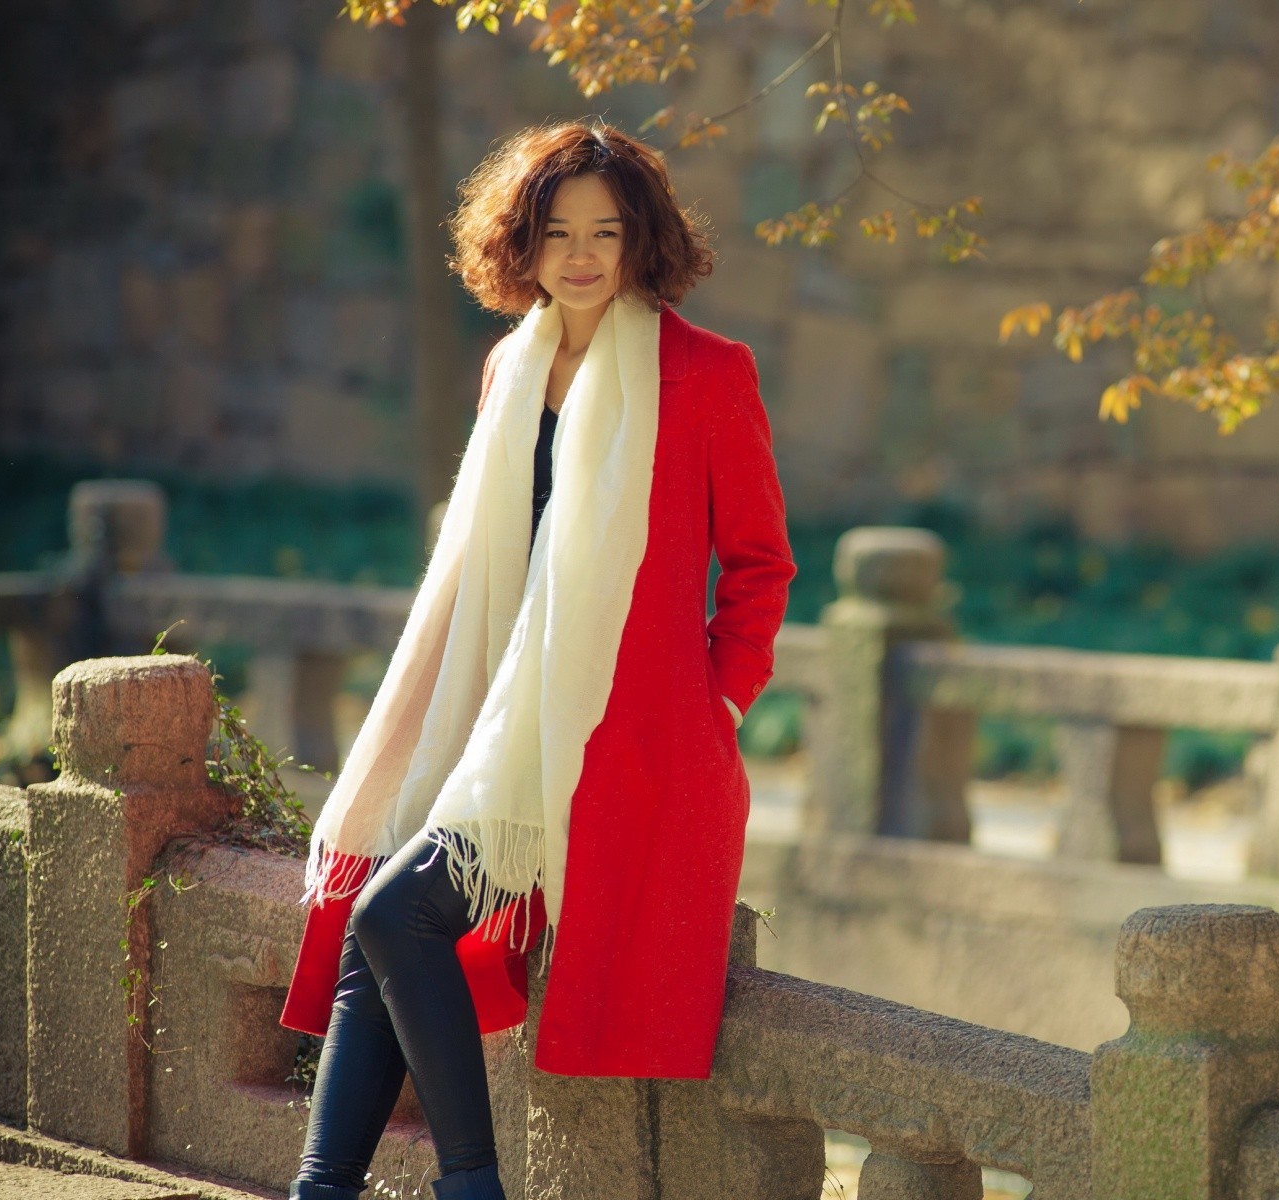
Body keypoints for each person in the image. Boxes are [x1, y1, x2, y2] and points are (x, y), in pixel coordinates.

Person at [277, 119, 795, 1200]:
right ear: (521, 242)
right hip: (499, 719)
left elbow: (759, 569)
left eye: (607, 231)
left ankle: (468, 1184)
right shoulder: (510, 369)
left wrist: (720, 708)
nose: (583, 256)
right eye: (557, 232)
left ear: (643, 238)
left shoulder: (706, 375)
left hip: (637, 741)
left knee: (392, 915)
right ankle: (324, 1191)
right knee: (384, 905)